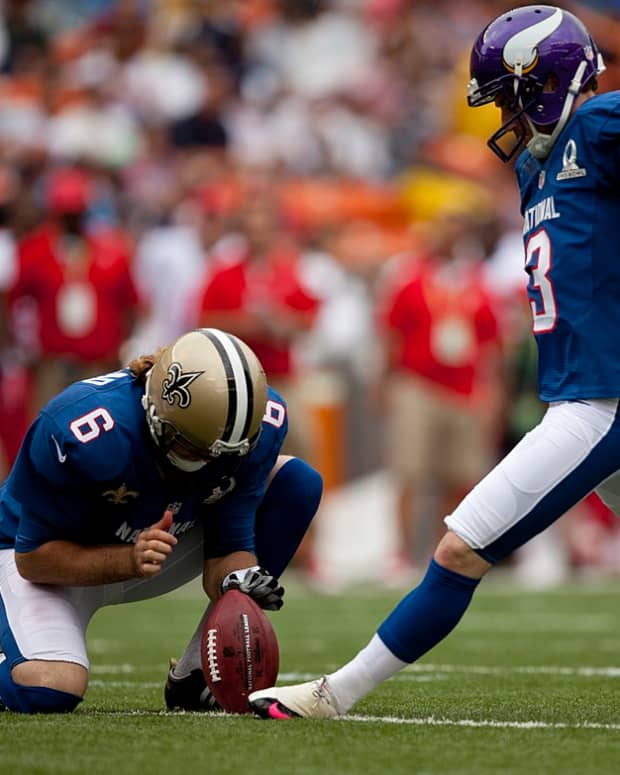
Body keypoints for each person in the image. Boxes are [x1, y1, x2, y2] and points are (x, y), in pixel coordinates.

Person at [249, 4, 620, 719]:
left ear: (544, 82)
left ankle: (335, 694)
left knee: (459, 550)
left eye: (510, 93)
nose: (502, 114)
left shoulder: (599, 128)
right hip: (585, 391)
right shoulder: (537, 172)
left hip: (600, 403)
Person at [0, 328, 323, 713]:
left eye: (223, 455)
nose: (208, 463)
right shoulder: (85, 428)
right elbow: (33, 559)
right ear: (157, 413)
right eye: (192, 448)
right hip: (45, 562)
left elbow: (228, 550)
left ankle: (200, 676)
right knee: (51, 689)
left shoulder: (255, 426)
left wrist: (240, 583)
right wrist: (127, 560)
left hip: (153, 546)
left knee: (295, 484)